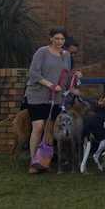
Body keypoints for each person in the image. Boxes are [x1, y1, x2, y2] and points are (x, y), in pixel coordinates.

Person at [25, 27, 80, 173]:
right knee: (38, 127)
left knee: (49, 129)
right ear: (50, 38)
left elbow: (66, 76)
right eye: (56, 38)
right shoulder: (42, 52)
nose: (59, 42)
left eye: (62, 39)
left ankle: (43, 161)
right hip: (37, 94)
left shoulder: (66, 55)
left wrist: (74, 80)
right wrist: (49, 84)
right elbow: (33, 73)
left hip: (56, 97)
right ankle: (33, 162)